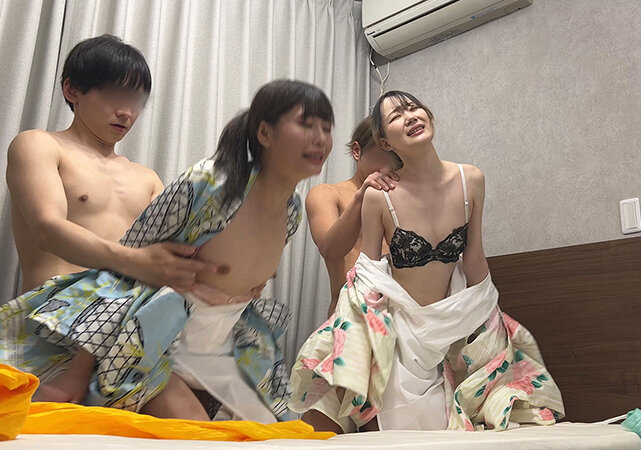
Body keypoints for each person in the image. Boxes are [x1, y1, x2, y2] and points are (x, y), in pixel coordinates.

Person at [0, 79, 335, 423]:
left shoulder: (291, 210)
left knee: (275, 434)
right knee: (199, 436)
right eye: (306, 124)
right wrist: (79, 370)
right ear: (265, 133)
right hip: (150, 341)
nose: (320, 138)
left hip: (223, 344)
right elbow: (126, 271)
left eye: (327, 128)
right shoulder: (210, 184)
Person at [289, 91, 564, 433]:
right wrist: (362, 196)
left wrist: (489, 314)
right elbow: (337, 253)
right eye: (395, 118)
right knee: (341, 419)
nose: (409, 117)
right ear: (378, 144)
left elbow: (474, 256)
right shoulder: (349, 194)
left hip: (444, 317)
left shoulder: (469, 180)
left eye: (413, 108)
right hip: (377, 316)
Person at [7, 34, 215, 294]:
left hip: (129, 313)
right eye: (114, 95)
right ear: (72, 90)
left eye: (136, 101)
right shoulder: (40, 145)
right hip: (52, 308)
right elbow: (47, 230)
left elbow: (179, 249)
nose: (126, 112)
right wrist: (135, 262)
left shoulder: (147, 178)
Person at [305, 116, 400, 316]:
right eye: (383, 155)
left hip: (401, 314)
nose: (390, 166)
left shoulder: (403, 197)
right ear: (357, 151)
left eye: (397, 157)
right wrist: (361, 197)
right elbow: (330, 250)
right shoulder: (328, 193)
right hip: (350, 312)